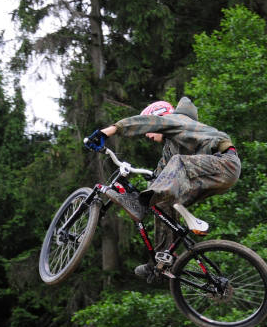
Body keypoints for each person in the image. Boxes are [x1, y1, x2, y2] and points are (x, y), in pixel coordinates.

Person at [86, 97, 241, 280]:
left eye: (150, 131)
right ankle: (163, 259)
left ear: (160, 117)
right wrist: (146, 183)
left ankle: (142, 203)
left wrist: (110, 131)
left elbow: (146, 123)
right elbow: (161, 174)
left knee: (176, 165)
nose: (148, 136)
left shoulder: (177, 120)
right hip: (213, 174)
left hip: (224, 163)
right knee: (163, 202)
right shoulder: (173, 146)